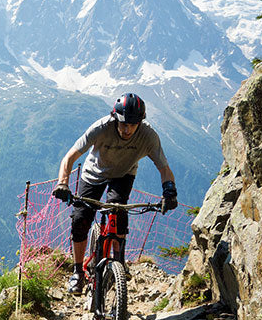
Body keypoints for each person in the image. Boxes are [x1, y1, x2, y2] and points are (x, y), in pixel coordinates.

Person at [52, 93, 177, 294]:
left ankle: (119, 263)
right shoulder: (101, 128)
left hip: (123, 174)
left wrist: (169, 191)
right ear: (114, 118)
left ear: (140, 122)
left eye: (132, 124)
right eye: (122, 124)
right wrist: (63, 184)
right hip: (93, 173)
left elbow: (164, 167)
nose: (127, 129)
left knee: (118, 211)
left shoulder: (148, 136)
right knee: (80, 219)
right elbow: (69, 157)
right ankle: (78, 272)